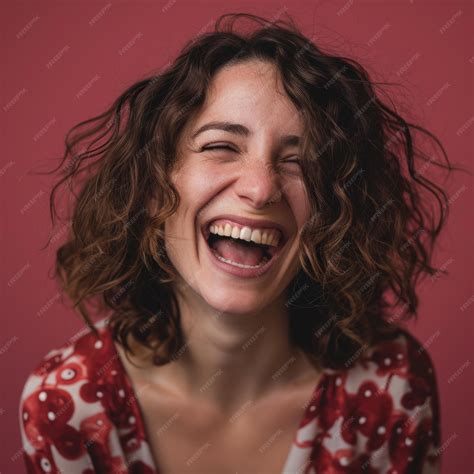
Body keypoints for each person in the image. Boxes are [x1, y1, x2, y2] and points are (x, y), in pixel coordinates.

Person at [19, 12, 459, 474]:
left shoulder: (391, 386)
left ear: (332, 213)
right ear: (151, 190)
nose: (261, 188)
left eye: (300, 162)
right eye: (221, 147)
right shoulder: (68, 404)